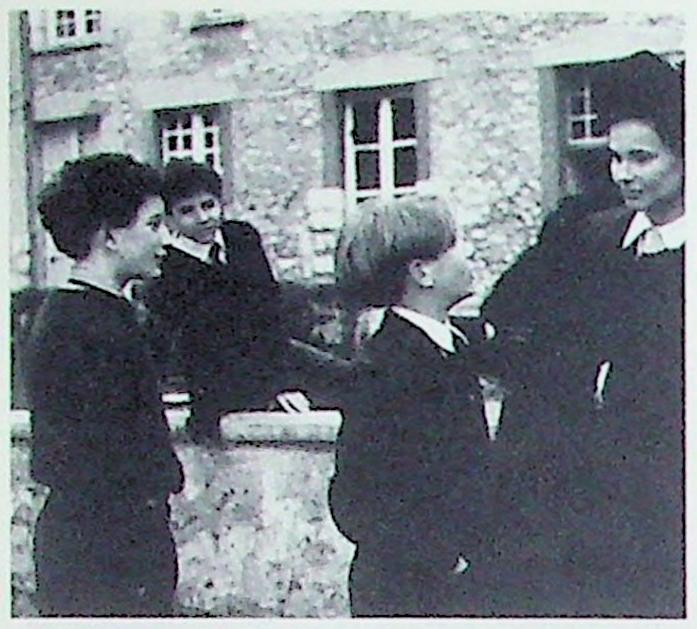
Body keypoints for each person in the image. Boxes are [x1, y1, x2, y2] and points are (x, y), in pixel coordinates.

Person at [483, 51, 685, 617]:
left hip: (669, 497)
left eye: (643, 158)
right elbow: (512, 325)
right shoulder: (590, 238)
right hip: (585, 499)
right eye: (616, 157)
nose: (624, 174)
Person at [27, 154, 184, 616]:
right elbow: (96, 459)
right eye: (153, 225)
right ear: (110, 236)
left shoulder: (98, 315)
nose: (165, 239)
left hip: (114, 541)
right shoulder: (82, 327)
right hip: (101, 552)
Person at [329, 196, 498, 616]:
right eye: (453, 247)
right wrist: (441, 557)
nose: (467, 253)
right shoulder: (388, 366)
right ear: (422, 272)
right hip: (410, 591)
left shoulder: (450, 345)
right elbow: (356, 495)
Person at [145, 159, 308, 443]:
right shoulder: (168, 270)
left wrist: (283, 380)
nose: (202, 217)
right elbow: (202, 345)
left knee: (350, 381)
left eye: (208, 205)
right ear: (169, 220)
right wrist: (271, 388)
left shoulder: (241, 238)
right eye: (187, 211)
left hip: (276, 354)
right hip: (219, 379)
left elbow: (269, 310)